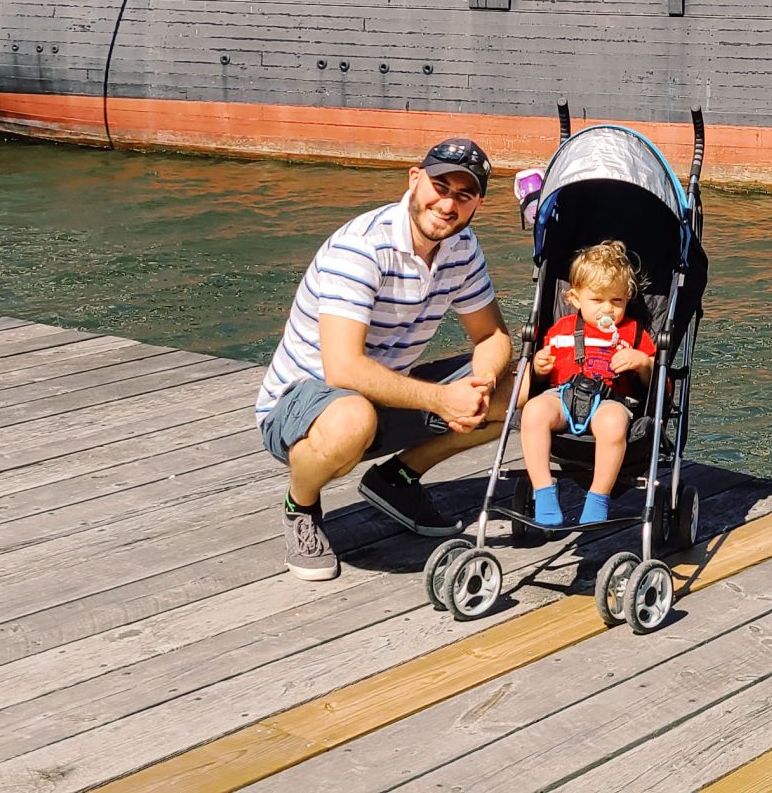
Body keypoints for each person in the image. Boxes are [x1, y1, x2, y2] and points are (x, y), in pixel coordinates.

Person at [255, 138, 514, 582]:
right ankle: (300, 506)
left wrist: (482, 385)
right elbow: (344, 369)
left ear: (477, 204)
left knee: (523, 384)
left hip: (385, 392)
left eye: (463, 194)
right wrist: (442, 401)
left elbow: (492, 335)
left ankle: (396, 479)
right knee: (351, 419)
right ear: (415, 179)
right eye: (440, 186)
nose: (448, 203)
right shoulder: (362, 247)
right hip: (303, 403)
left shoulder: (462, 247)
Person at [520, 239, 657, 528]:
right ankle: (543, 490)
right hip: (563, 395)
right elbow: (542, 377)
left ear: (627, 298)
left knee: (612, 423)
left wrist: (642, 363)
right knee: (533, 411)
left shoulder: (633, 332)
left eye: (617, 301)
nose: (608, 309)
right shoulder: (561, 330)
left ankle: (598, 497)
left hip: (610, 399)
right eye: (597, 300)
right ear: (574, 298)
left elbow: (659, 385)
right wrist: (540, 367)